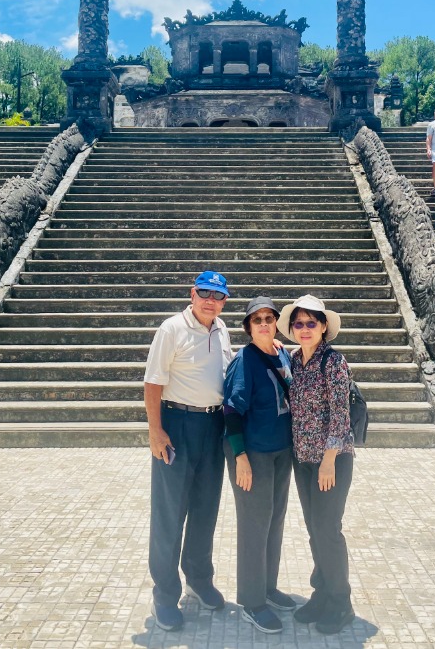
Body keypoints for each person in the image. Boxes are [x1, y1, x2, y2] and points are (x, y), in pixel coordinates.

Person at [144, 270, 233, 631]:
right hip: (177, 424)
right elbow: (153, 382)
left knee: (205, 508)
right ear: (192, 293)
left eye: (218, 296)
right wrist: (156, 431)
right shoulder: (172, 329)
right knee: (170, 512)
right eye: (205, 293)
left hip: (213, 425)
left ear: (224, 301)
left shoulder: (222, 329)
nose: (211, 301)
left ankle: (198, 578)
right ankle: (165, 594)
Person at [276, 294, 355, 636]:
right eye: (299, 323)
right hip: (303, 459)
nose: (304, 329)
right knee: (314, 529)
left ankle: (341, 602)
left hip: (330, 461)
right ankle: (322, 593)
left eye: (311, 323)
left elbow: (341, 414)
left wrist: (328, 460)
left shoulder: (333, 362)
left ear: (323, 327)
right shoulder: (294, 360)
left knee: (328, 529)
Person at [223, 296, 295, 634]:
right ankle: (252, 602)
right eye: (257, 320)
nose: (264, 324)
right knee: (254, 525)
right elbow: (231, 411)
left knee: (275, 520)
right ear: (248, 327)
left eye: (269, 318)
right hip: (253, 453)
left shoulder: (282, 353)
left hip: (282, 450)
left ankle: (267, 586)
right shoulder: (244, 361)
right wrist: (240, 458)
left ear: (276, 323)